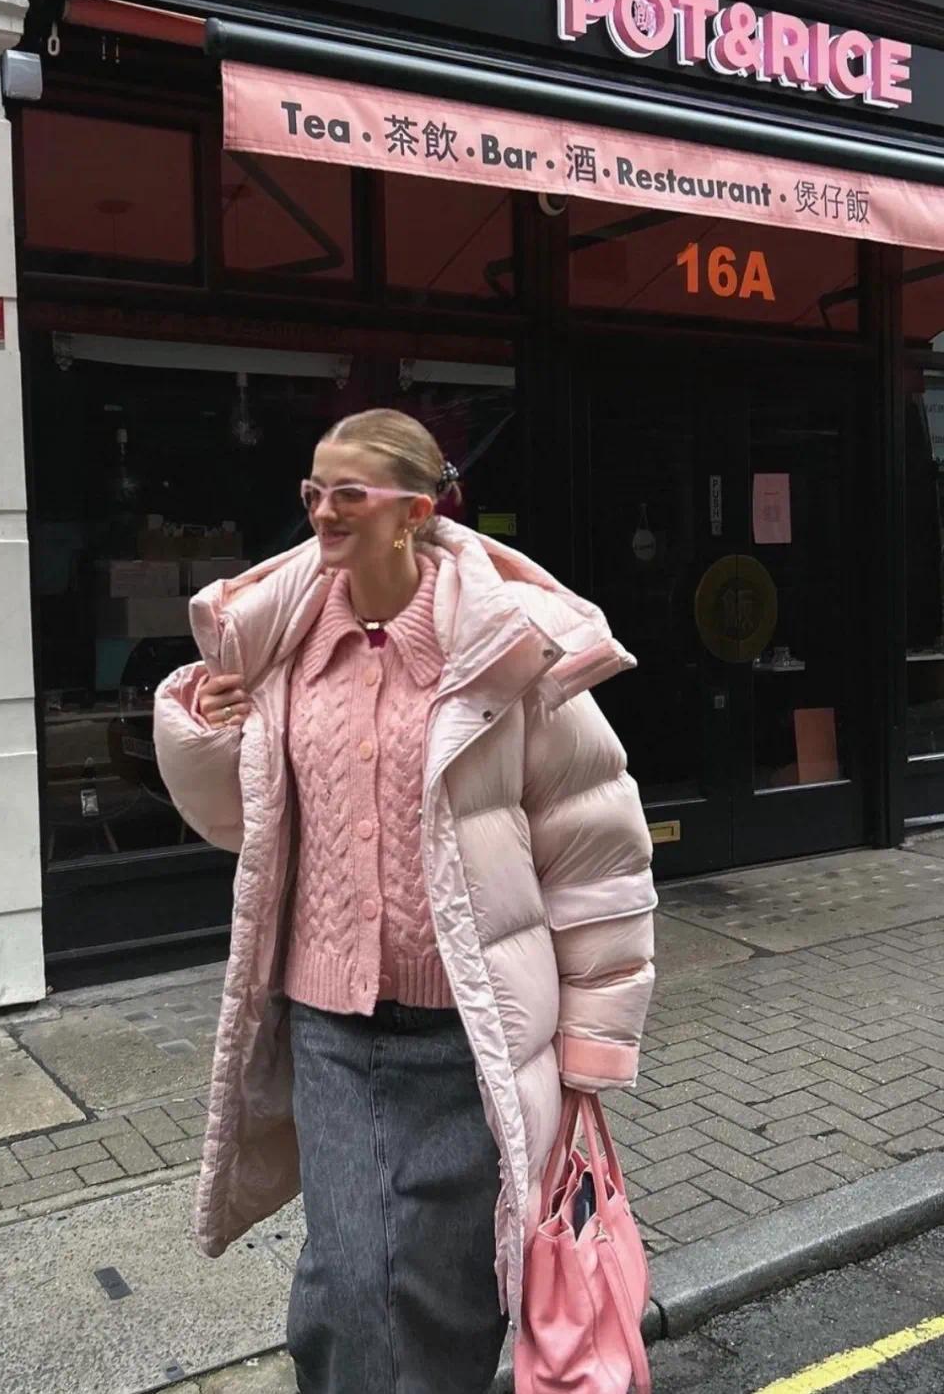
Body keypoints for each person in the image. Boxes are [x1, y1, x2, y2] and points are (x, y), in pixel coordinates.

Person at [153, 408, 656, 1394]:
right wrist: (210, 729)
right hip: (331, 1028)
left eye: (348, 493)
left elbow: (595, 847)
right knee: (360, 1278)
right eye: (313, 491)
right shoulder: (284, 648)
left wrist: (594, 1044)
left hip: (470, 1033)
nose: (322, 511)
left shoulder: (504, 652)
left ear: (415, 513)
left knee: (449, 1282)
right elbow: (235, 822)